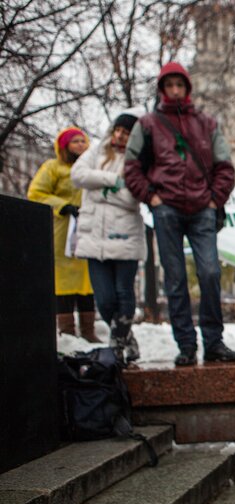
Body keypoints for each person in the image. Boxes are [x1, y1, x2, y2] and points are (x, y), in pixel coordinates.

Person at [125, 62, 235, 366]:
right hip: (167, 209)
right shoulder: (148, 124)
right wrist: (152, 197)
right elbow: (131, 167)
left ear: (187, 88)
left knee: (210, 272)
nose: (175, 90)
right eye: (169, 85)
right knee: (175, 279)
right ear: (162, 89)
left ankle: (214, 342)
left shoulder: (207, 123)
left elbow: (225, 166)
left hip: (203, 208)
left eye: (179, 85)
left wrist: (215, 199)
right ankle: (186, 345)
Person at [70, 110, 146, 362]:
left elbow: (133, 198)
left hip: (124, 235)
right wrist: (113, 180)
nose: (120, 136)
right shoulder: (96, 152)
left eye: (127, 133)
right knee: (103, 299)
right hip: (93, 236)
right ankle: (126, 338)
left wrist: (98, 188)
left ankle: (116, 347)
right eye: (118, 130)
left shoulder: (138, 160)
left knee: (123, 294)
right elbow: (78, 175)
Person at [28, 126, 100, 342]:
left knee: (88, 280)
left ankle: (88, 331)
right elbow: (36, 193)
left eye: (83, 141)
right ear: (64, 146)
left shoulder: (92, 168)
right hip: (63, 230)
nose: (80, 145)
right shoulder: (53, 167)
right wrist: (63, 205)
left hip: (89, 228)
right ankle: (67, 332)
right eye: (75, 141)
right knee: (64, 280)